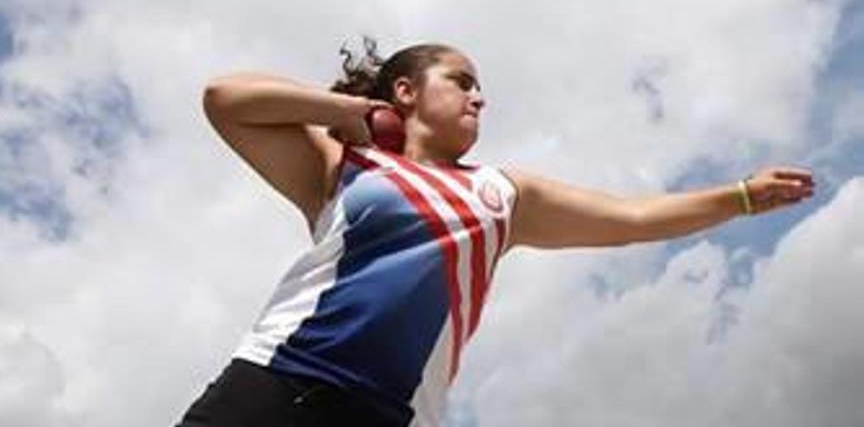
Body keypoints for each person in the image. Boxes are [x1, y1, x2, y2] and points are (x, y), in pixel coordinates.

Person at [176, 38, 815, 427]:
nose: (479, 97)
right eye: (462, 81)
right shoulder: (343, 164)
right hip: (271, 382)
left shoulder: (505, 194)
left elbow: (630, 218)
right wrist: (352, 112)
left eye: (481, 88)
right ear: (406, 91)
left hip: (385, 418)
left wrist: (740, 199)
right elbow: (224, 97)